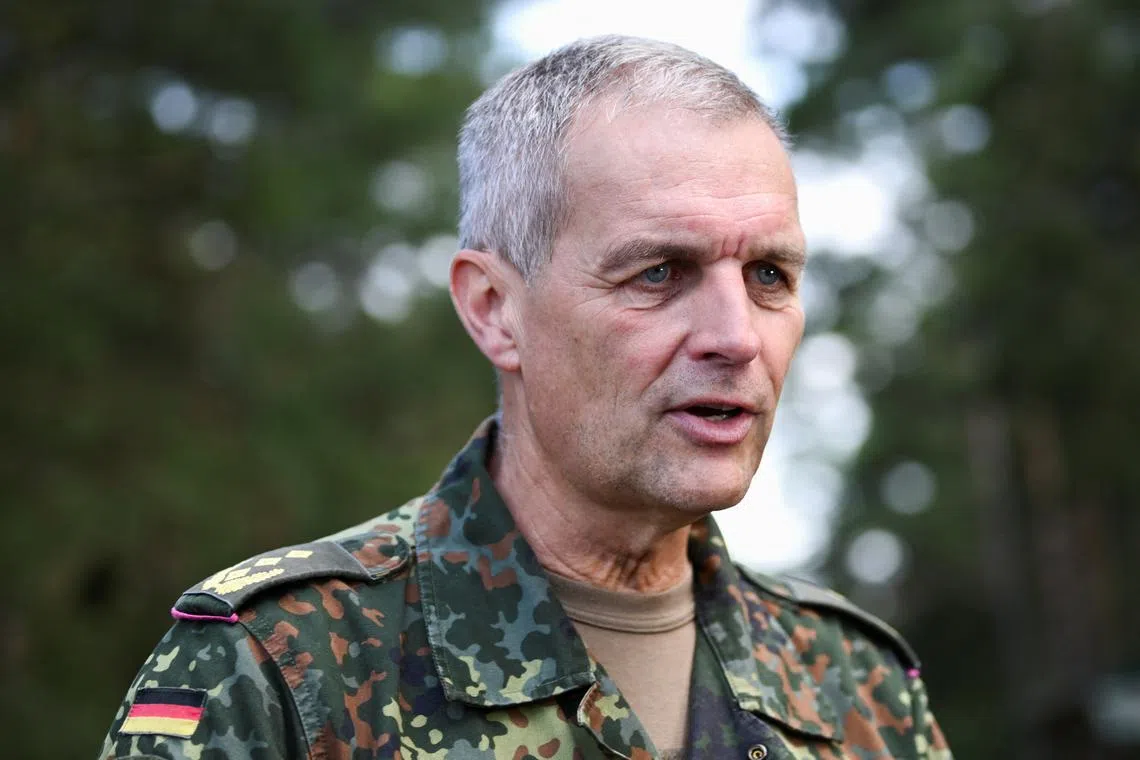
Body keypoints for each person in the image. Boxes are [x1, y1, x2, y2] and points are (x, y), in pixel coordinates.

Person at [98, 35, 952, 760]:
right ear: (495, 311)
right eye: (659, 273)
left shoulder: (858, 687)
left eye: (769, 274)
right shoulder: (283, 667)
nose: (736, 336)